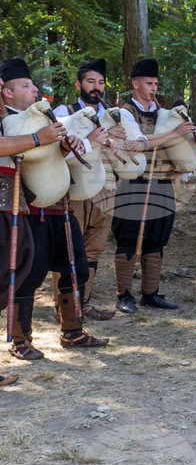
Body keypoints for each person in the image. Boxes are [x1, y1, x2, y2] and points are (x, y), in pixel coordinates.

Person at [1, 58, 109, 360]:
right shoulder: (4, 121)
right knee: (29, 273)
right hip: (26, 209)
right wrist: (39, 139)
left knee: (75, 267)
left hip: (61, 207)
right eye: (26, 85)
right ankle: (21, 340)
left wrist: (64, 145)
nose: (35, 89)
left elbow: (52, 156)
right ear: (7, 92)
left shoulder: (43, 117)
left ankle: (72, 331)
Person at [113, 58, 196, 314]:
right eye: (149, 83)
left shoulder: (165, 114)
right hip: (135, 182)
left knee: (156, 237)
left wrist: (193, 137)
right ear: (135, 84)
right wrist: (174, 134)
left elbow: (179, 145)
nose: (154, 88)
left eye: (156, 83)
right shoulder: (124, 112)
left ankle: (150, 293)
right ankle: (124, 294)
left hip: (163, 181)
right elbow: (135, 143)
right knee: (130, 236)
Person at [53, 58, 140, 321]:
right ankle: (64, 308)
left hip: (106, 187)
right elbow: (57, 150)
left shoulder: (115, 114)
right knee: (69, 248)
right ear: (78, 84)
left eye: (100, 82)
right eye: (91, 81)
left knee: (94, 248)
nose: (96, 87)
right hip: (73, 188)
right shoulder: (62, 112)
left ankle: (84, 303)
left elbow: (131, 146)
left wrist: (121, 138)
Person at [0, 69, 68, 379]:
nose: (2, 91)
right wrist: (39, 138)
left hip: (11, 204)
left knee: (15, 269)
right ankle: (19, 338)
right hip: (6, 204)